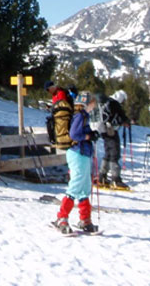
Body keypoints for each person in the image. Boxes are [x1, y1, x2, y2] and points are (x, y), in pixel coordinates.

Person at [53, 91, 99, 234]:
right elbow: (74, 134)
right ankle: (62, 217)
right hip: (77, 152)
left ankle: (85, 219)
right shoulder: (80, 116)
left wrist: (91, 136)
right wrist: (88, 136)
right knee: (76, 184)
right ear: (87, 103)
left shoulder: (84, 116)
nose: (94, 105)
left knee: (85, 186)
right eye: (93, 103)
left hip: (83, 153)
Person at [96, 90, 131, 189]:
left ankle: (102, 176)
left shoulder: (106, 102)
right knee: (115, 153)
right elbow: (121, 118)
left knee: (108, 152)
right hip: (111, 130)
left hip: (103, 129)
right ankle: (116, 179)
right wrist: (126, 122)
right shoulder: (115, 104)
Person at [45, 80, 74, 150]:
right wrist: (50, 108)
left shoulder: (60, 93)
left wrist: (53, 108)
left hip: (63, 118)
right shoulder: (55, 95)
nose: (48, 92)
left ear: (52, 87)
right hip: (58, 117)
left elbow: (62, 106)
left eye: (48, 89)